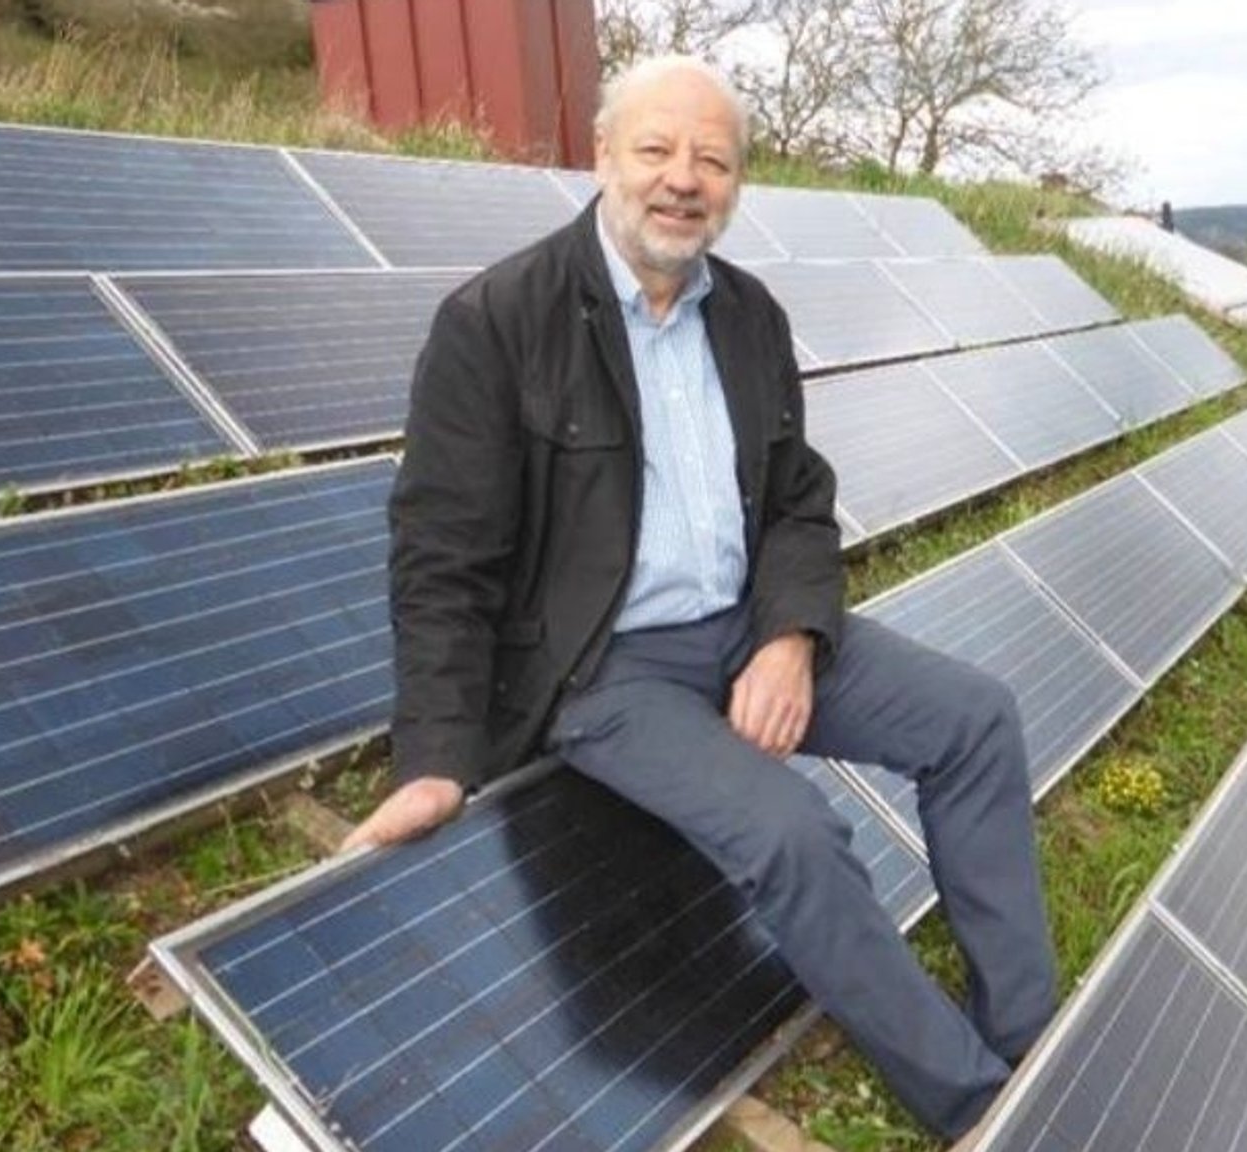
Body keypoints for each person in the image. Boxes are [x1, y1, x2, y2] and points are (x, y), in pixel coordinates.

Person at [342, 53, 1056, 1144]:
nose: (683, 179)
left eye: (711, 161)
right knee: (794, 836)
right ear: (600, 157)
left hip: (746, 628)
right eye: (657, 151)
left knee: (975, 721)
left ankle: (1030, 1038)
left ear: (734, 184)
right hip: (604, 670)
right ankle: (984, 1109)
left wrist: (788, 638)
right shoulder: (496, 323)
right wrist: (435, 756)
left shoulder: (750, 319)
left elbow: (796, 507)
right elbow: (440, 556)